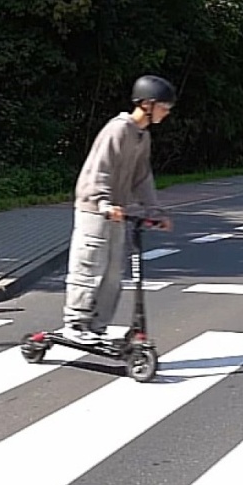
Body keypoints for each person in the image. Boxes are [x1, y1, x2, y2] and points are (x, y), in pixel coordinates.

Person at [61, 75, 176, 344]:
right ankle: (75, 323)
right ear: (148, 104)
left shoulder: (142, 136)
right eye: (164, 107)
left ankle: (98, 325)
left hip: (117, 212)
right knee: (89, 266)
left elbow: (142, 177)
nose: (167, 113)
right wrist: (103, 203)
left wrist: (155, 212)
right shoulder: (118, 129)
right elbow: (99, 169)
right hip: (95, 210)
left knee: (113, 273)